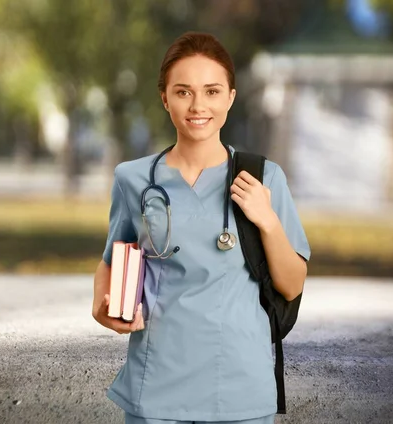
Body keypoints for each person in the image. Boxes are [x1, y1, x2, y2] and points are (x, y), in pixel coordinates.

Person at [92, 31, 311, 424]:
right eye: (183, 92)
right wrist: (102, 305)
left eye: (211, 91)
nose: (198, 106)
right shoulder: (133, 179)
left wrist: (267, 219)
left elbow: (292, 284)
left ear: (230, 97)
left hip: (239, 388)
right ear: (164, 98)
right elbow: (113, 259)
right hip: (156, 383)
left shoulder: (264, 178)